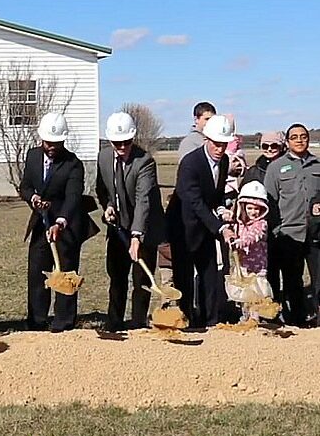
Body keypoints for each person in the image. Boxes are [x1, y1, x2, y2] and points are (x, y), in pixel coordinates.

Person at [19, 112, 98, 332]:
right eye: (48, 142)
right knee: (37, 272)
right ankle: (36, 321)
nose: (52, 146)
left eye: (57, 143)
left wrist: (60, 222)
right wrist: (32, 198)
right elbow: (25, 186)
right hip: (40, 223)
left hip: (67, 224)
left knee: (65, 272)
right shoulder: (32, 156)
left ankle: (63, 322)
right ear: (41, 139)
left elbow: (73, 197)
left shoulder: (73, 164)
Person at [95, 112, 165, 331]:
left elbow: (143, 200)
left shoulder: (145, 162)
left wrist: (137, 236)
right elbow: (102, 189)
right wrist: (107, 206)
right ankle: (114, 322)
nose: (122, 146)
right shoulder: (103, 158)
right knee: (117, 277)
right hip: (118, 229)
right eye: (117, 142)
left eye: (126, 141)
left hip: (144, 228)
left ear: (133, 138)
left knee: (141, 280)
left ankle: (137, 323)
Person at [167, 115, 236, 327]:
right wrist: (220, 227)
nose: (220, 148)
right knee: (184, 277)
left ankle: (209, 320)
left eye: (224, 144)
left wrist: (222, 208)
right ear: (206, 139)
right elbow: (195, 202)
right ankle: (186, 319)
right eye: (216, 143)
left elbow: (215, 195)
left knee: (209, 274)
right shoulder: (190, 164)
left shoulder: (223, 161)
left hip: (206, 226)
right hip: (183, 227)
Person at [264, 123, 320, 327]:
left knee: (318, 282)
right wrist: (277, 231)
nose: (299, 140)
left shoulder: (317, 166)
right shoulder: (276, 167)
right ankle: (296, 322)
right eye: (294, 137)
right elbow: (269, 202)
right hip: (289, 234)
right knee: (293, 282)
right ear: (287, 142)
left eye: (303, 136)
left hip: (315, 234)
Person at [242, 131, 286, 302]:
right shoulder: (254, 171)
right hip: (259, 232)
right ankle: (262, 310)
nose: (269, 149)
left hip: (283, 226)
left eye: (274, 145)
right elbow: (243, 201)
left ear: (281, 146)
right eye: (265, 146)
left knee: (286, 272)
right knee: (262, 273)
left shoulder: (287, 166)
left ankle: (285, 309)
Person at [229, 180, 270, 322]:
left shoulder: (261, 224)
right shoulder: (238, 224)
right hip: (242, 266)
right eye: (250, 208)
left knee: (256, 294)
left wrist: (241, 242)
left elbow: (254, 237)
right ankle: (245, 317)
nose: (254, 212)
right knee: (244, 295)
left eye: (257, 209)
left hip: (257, 267)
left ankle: (255, 319)